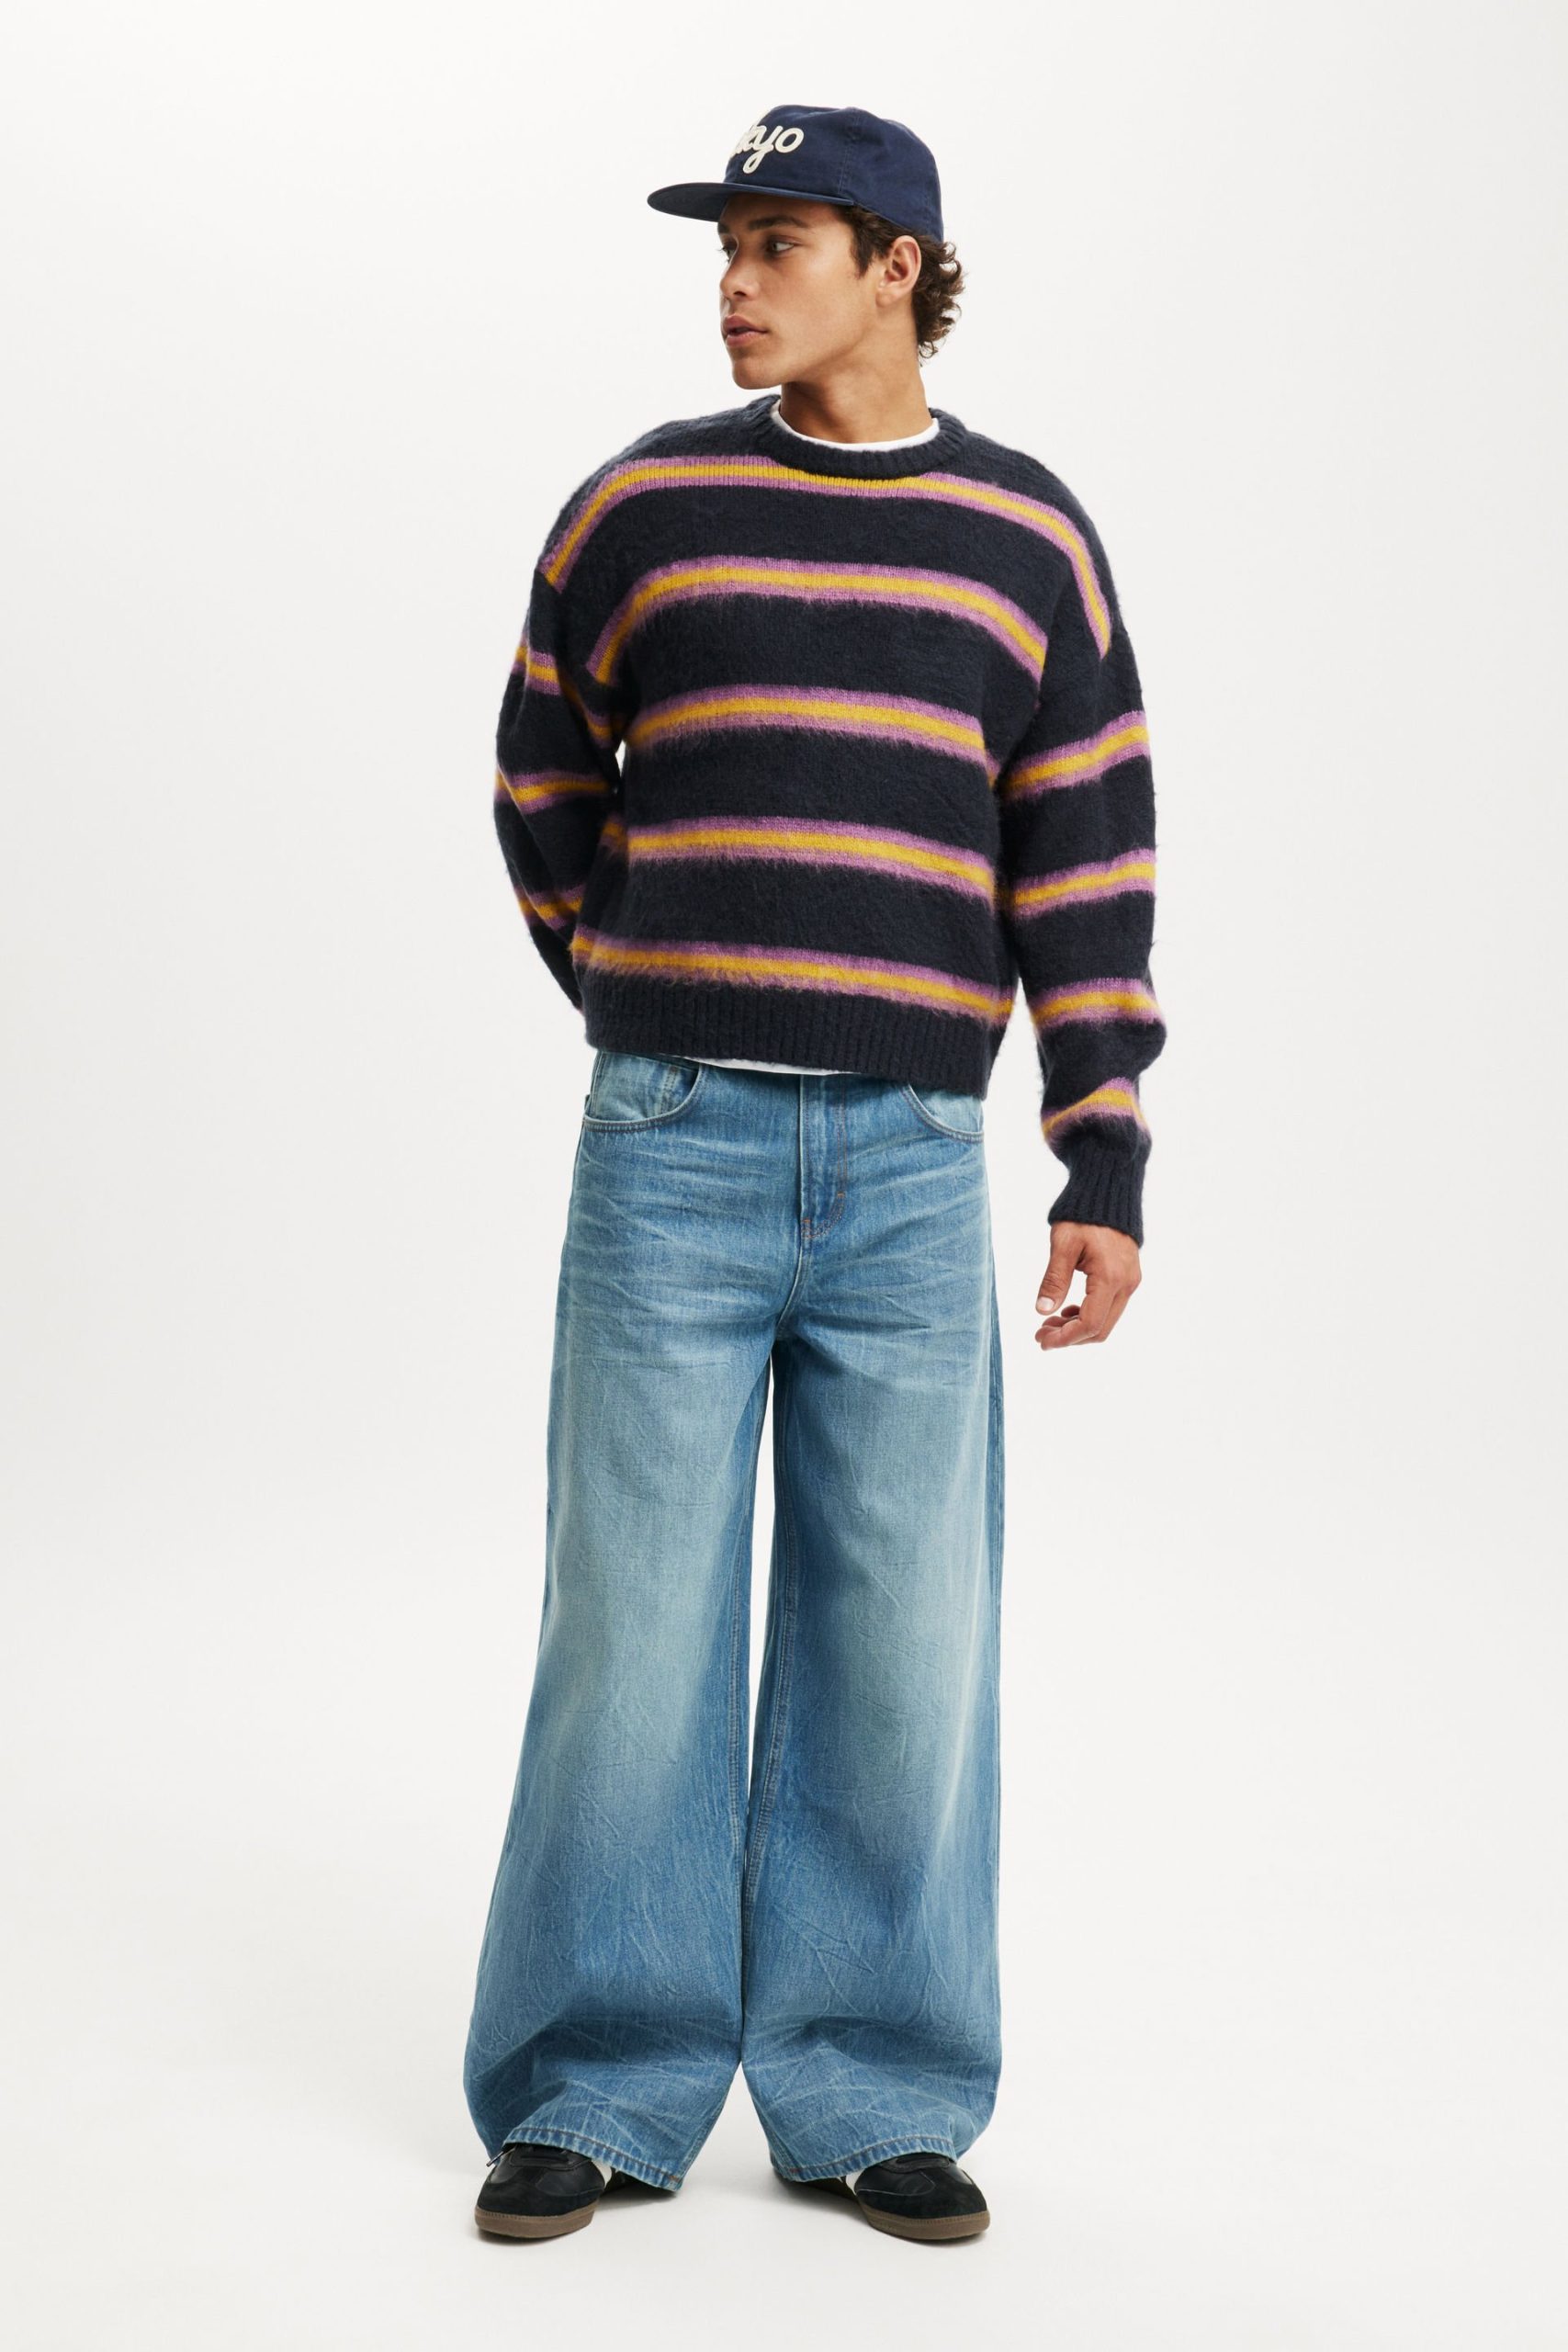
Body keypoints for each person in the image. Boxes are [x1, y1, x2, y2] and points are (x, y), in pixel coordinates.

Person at [463, 102, 1167, 2245]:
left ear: (895, 267)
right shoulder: (642, 506)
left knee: (901, 1639)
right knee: (631, 1625)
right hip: (667, 1143)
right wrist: (642, 981)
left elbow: (1085, 852)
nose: (732, 281)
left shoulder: (1024, 537)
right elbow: (536, 779)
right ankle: (594, 2075)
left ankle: (869, 2084)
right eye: (726, 245)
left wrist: (1101, 1150)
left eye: (775, 242)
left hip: (909, 1164)